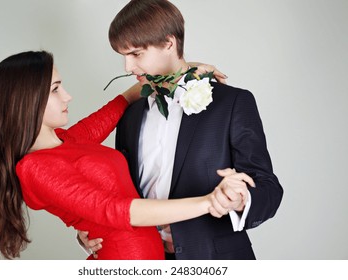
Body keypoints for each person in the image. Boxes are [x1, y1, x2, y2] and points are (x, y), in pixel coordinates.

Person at [0, 50, 241, 260]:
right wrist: (209, 202)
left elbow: (122, 101)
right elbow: (119, 211)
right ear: (26, 101)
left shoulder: (67, 141)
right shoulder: (35, 168)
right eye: (55, 90)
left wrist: (184, 70)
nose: (67, 97)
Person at [80, 0, 283, 260]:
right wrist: (96, 229)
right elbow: (125, 197)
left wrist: (241, 200)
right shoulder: (130, 115)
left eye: (136, 54)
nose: (127, 67)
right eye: (123, 55)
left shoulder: (232, 103)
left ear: (168, 43)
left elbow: (268, 187)